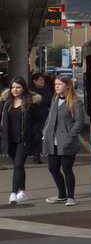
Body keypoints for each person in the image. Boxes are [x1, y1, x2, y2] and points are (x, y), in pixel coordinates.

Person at [42, 74, 87, 207]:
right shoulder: (55, 99)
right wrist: (45, 131)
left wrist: (70, 135)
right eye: (56, 84)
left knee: (67, 169)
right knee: (53, 168)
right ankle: (62, 195)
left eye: (60, 84)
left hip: (67, 141)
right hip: (53, 141)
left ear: (67, 86)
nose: (57, 87)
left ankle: (71, 197)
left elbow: (79, 120)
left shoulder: (75, 101)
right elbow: (50, 118)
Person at [2, 77, 44, 206]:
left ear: (24, 88)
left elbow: (39, 120)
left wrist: (32, 133)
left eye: (18, 87)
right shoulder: (6, 103)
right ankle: (23, 192)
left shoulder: (31, 103)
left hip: (24, 140)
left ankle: (14, 193)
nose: (15, 90)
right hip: (10, 140)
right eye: (13, 87)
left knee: (18, 165)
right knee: (18, 166)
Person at [28, 70, 54, 164]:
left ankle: (38, 156)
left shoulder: (47, 90)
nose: (42, 81)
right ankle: (35, 155)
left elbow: (50, 102)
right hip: (33, 118)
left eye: (43, 80)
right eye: (40, 80)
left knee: (41, 137)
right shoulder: (30, 92)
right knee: (36, 137)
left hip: (44, 116)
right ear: (35, 81)